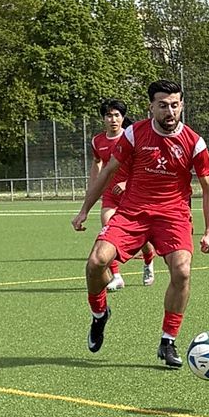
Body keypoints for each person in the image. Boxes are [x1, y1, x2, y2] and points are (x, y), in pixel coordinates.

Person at [71, 80, 209, 368]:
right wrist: (84, 210)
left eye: (175, 104)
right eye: (162, 105)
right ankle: (100, 314)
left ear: (182, 105)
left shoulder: (194, 142)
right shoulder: (134, 134)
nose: (169, 110)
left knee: (182, 271)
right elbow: (107, 172)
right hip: (132, 212)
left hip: (173, 215)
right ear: (151, 106)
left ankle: (168, 341)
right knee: (95, 263)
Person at [89, 99, 156, 289]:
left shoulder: (132, 138)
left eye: (117, 115)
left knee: (142, 238)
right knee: (107, 229)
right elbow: (97, 163)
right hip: (110, 194)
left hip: (134, 194)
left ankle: (148, 262)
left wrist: (127, 182)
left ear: (123, 117)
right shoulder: (97, 141)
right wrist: (94, 187)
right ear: (103, 118)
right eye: (109, 115)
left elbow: (143, 166)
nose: (113, 119)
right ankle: (116, 276)